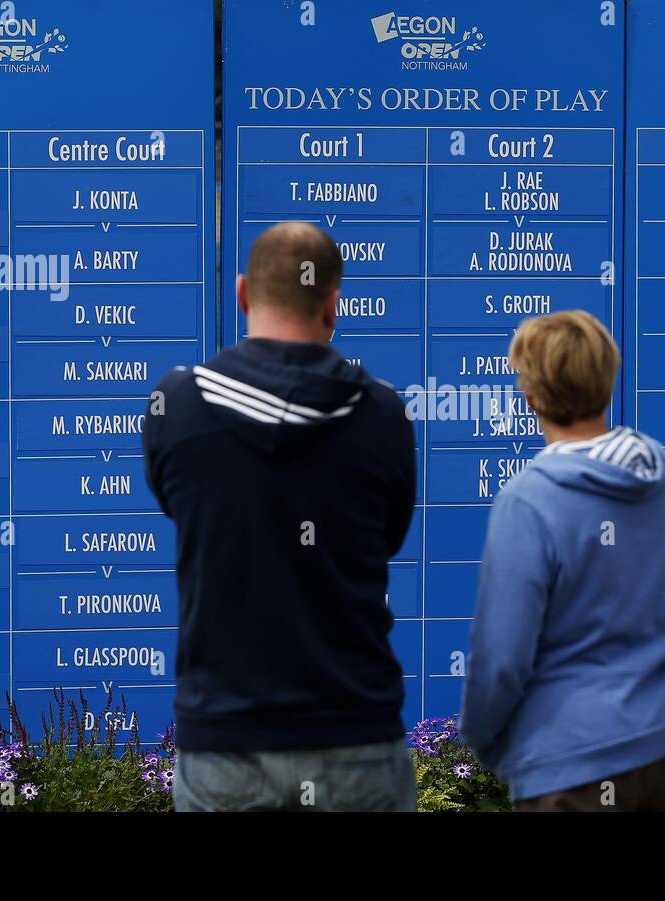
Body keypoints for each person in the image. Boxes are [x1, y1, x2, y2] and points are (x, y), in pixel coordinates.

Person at [143, 222, 417, 812]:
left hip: (225, 743)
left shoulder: (178, 406)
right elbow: (389, 537)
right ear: (333, 303)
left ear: (242, 293)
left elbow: (180, 508)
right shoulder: (383, 415)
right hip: (357, 736)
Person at [460, 310, 665, 811]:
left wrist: (482, 739)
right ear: (606, 380)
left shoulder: (529, 500)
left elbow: (502, 657)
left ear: (531, 394)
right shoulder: (662, 474)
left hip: (570, 761)